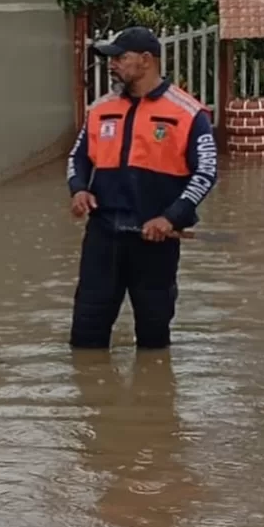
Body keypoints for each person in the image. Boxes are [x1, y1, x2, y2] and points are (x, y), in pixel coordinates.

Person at [67, 25, 218, 350]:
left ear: (147, 60)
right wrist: (78, 189)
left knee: (153, 337)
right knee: (86, 335)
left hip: (156, 241)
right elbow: (78, 158)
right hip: (103, 237)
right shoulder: (100, 109)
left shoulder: (189, 113)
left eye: (120, 57)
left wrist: (171, 217)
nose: (112, 65)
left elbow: (206, 172)